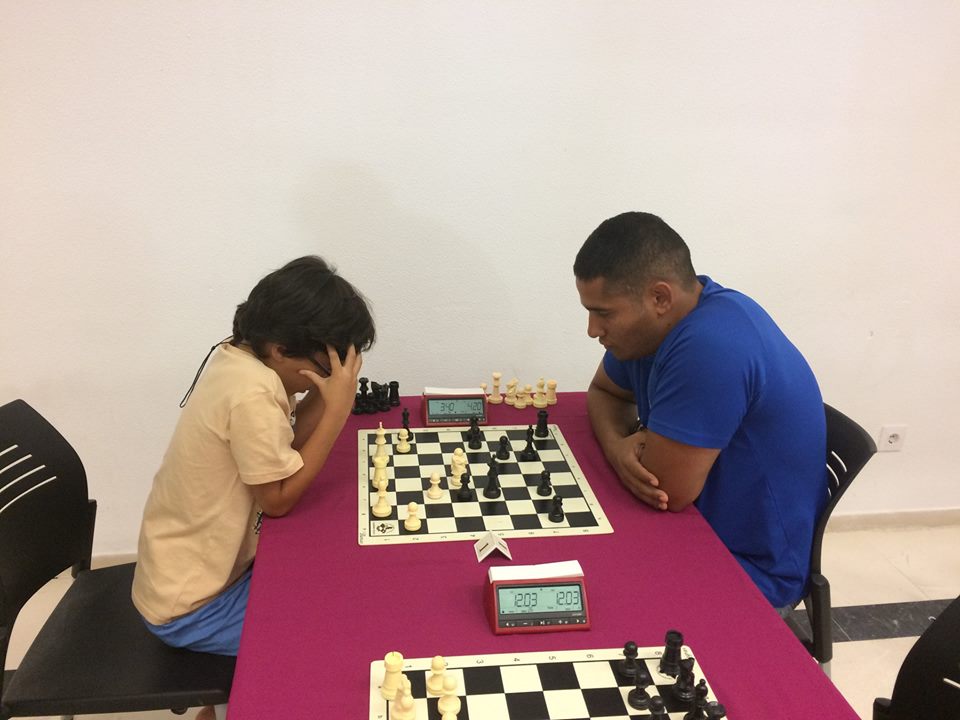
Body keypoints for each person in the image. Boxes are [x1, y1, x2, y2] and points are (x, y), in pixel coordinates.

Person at [132, 256, 375, 720]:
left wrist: (326, 394)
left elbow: (287, 449)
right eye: (322, 366)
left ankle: (214, 707)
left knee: (330, 576)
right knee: (336, 634)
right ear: (281, 349)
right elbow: (278, 500)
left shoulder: (240, 360)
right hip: (193, 605)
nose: (328, 378)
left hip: (197, 573)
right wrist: (338, 411)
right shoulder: (251, 394)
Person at [574, 212, 827, 609]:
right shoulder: (656, 328)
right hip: (692, 528)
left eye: (604, 313)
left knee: (586, 595)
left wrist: (628, 450)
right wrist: (618, 447)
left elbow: (666, 491)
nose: (592, 329)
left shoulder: (711, 346)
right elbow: (603, 391)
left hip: (747, 569)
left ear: (660, 298)